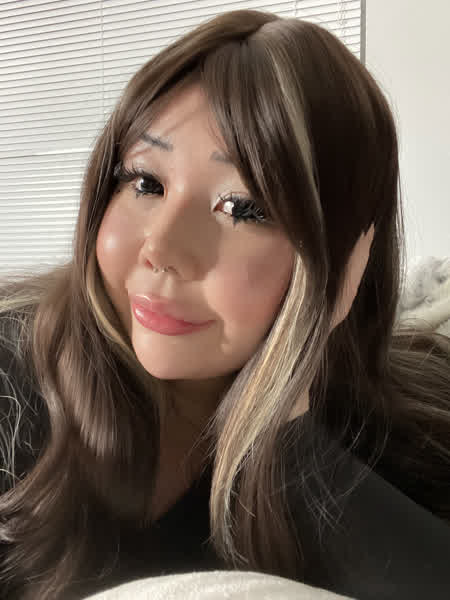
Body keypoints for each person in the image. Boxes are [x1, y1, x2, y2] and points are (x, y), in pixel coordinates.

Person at [0, 8, 449, 600]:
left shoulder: (400, 419)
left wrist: (287, 422)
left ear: (344, 256)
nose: (161, 250)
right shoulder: (13, 375)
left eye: (244, 208)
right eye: (146, 183)